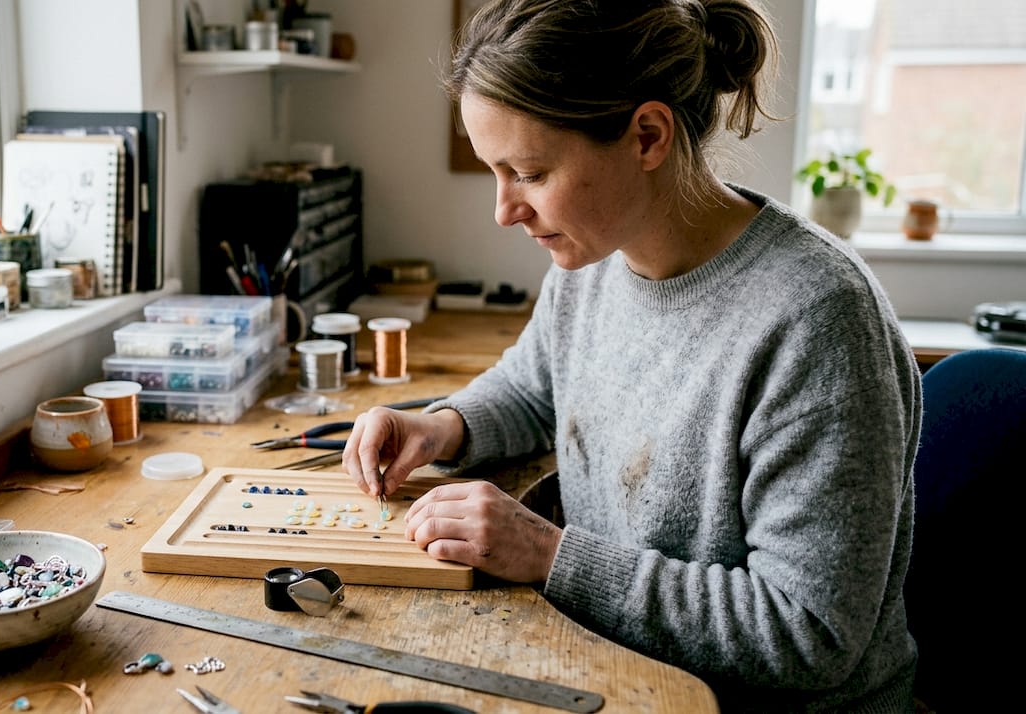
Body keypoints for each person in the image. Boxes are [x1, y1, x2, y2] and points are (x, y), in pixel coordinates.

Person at [341, 1, 921, 711]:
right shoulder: (591, 261)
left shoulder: (818, 319)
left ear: (646, 135)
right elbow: (534, 389)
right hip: (615, 671)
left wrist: (550, 555)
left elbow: (806, 634)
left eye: (527, 171)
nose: (504, 210)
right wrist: (441, 426)